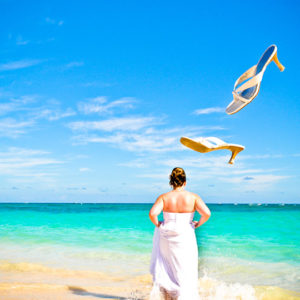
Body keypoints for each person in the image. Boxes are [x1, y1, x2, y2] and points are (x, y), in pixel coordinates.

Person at [149, 167, 211, 300]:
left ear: (171, 182)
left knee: (167, 268)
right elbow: (207, 213)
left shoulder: (164, 197)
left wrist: (158, 225)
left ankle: (168, 297)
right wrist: (197, 224)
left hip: (167, 235)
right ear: (185, 182)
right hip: (186, 235)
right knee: (186, 268)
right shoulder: (193, 197)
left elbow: (153, 213)